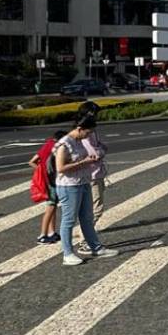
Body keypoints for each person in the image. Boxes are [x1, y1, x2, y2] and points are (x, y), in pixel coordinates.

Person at [52, 111, 120, 265]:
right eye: (88, 132)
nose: (89, 135)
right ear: (80, 128)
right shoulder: (64, 144)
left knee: (87, 218)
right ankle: (67, 253)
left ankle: (95, 247)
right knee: (69, 220)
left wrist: (89, 160)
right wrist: (84, 162)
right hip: (68, 186)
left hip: (83, 182)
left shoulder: (78, 141)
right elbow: (61, 168)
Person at [29, 130, 66, 244]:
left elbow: (32, 161)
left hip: (47, 179)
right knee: (51, 207)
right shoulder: (55, 148)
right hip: (52, 181)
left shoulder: (47, 145)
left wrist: (40, 171)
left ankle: (51, 232)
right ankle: (42, 235)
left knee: (53, 206)